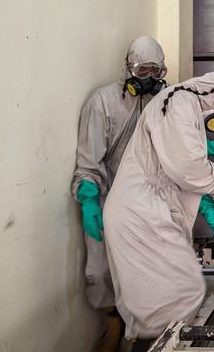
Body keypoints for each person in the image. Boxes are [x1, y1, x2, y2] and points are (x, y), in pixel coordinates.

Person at [102, 66, 214, 347]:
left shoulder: (187, 104)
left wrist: (207, 204)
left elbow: (174, 166)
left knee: (163, 306)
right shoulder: (178, 102)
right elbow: (187, 168)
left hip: (150, 213)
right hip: (141, 216)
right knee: (174, 302)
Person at [71, 35, 167, 350]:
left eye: (155, 72)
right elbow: (89, 162)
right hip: (107, 195)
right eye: (142, 71)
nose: (148, 79)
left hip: (147, 198)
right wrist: (88, 198)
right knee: (99, 272)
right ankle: (114, 320)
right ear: (128, 68)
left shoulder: (164, 102)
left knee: (148, 269)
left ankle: (147, 328)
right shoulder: (103, 103)